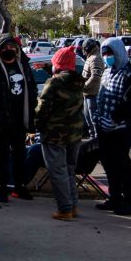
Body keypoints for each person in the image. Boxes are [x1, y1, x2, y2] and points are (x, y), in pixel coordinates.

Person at [0, 34, 37, 203]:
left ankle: (20, 186)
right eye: (4, 48)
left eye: (12, 47)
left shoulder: (23, 66)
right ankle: (2, 188)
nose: (8, 50)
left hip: (20, 119)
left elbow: (31, 89)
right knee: (2, 157)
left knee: (20, 155)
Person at [35, 47, 86, 221]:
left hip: (54, 133)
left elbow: (43, 108)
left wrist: (36, 125)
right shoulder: (79, 82)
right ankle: (73, 205)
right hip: (75, 134)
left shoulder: (54, 83)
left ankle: (64, 209)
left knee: (57, 172)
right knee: (70, 170)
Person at [94, 38, 131, 216]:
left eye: (110, 54)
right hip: (103, 126)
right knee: (108, 162)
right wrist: (99, 118)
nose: (108, 57)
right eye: (105, 54)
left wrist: (115, 119)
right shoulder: (107, 72)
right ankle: (115, 197)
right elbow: (102, 95)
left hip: (122, 127)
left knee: (121, 162)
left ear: (119, 52)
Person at [80, 38, 104, 139]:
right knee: (88, 118)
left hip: (92, 94)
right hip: (87, 93)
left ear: (88, 48)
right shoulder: (91, 58)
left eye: (85, 49)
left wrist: (84, 86)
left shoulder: (95, 59)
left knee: (93, 118)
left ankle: (96, 139)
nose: (83, 52)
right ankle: (92, 137)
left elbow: (95, 77)